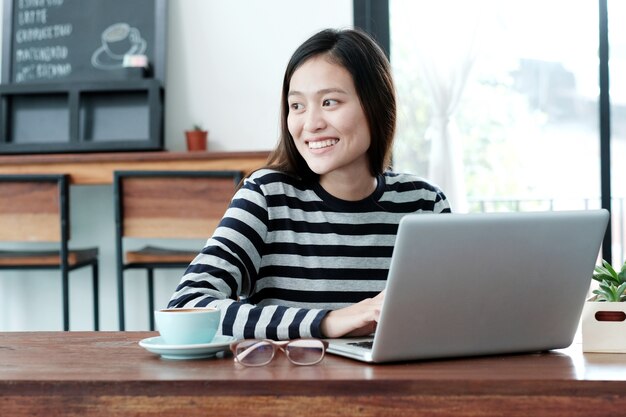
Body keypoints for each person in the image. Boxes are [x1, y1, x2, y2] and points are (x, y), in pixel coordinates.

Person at [168, 28, 451, 340]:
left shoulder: (425, 204)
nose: (311, 124)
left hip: (392, 385)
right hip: (289, 384)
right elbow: (186, 307)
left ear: (376, 104)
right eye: (297, 106)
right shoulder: (266, 196)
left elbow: (460, 311)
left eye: (329, 102)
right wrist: (328, 322)